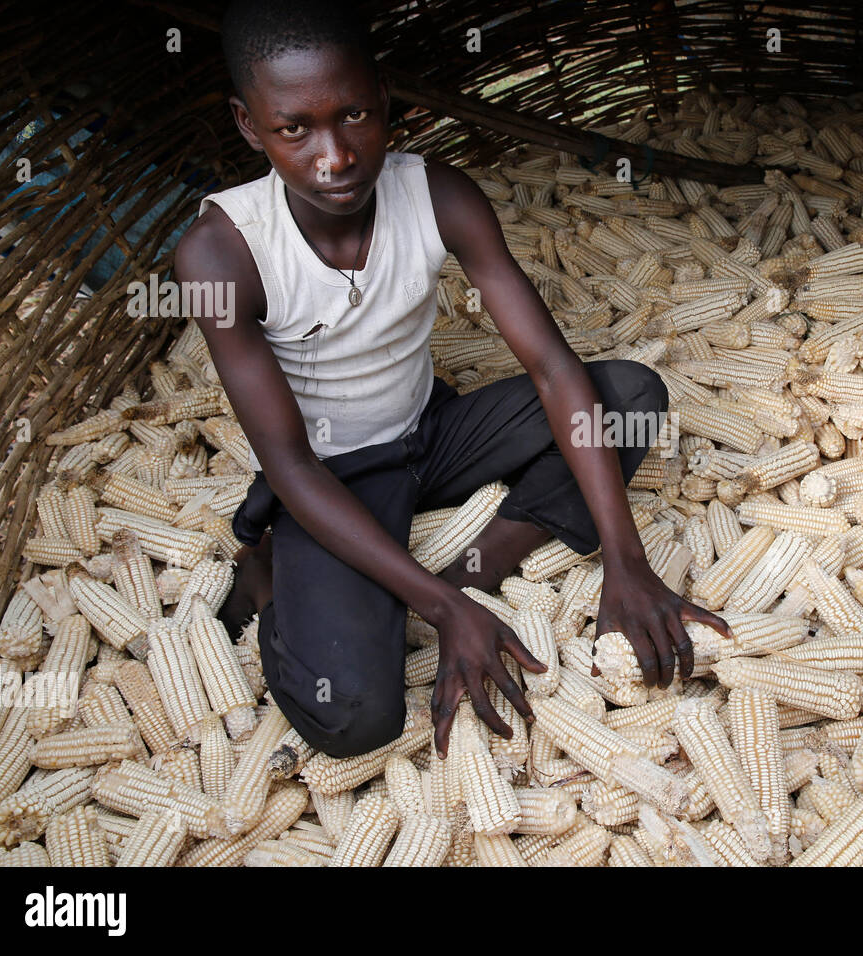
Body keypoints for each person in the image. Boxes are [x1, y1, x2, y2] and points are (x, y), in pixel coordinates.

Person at [173, 0, 733, 759]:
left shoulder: (439, 195)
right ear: (249, 125)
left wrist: (625, 558)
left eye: (354, 115)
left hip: (432, 432)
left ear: (385, 100)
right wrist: (440, 613)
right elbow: (292, 464)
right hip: (331, 478)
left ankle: (480, 565)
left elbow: (550, 365)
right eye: (294, 129)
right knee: (355, 719)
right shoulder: (223, 251)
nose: (334, 155)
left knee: (630, 397)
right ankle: (273, 577)